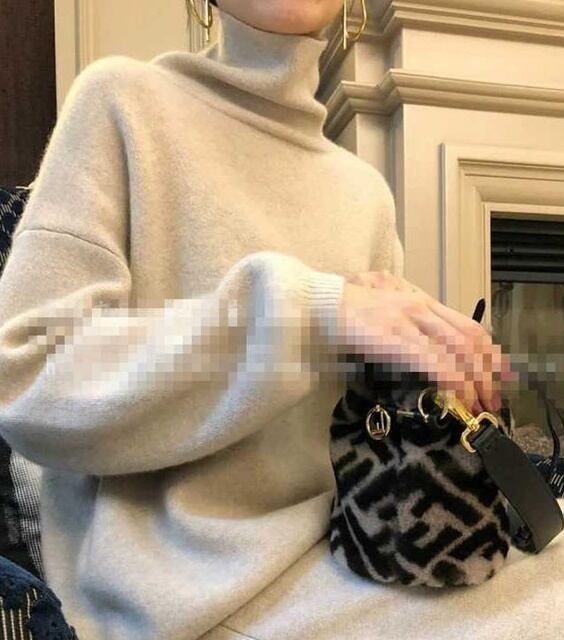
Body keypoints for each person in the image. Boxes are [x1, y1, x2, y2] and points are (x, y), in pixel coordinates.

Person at [0, 1, 508, 638]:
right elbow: (26, 380)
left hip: (351, 566)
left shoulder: (366, 194)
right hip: (176, 607)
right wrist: (309, 314)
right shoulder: (119, 102)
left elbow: (362, 440)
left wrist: (432, 376)